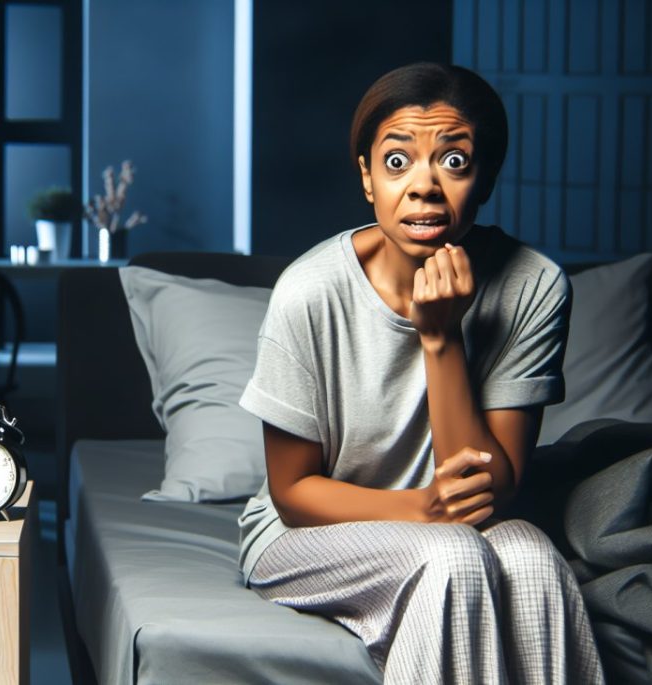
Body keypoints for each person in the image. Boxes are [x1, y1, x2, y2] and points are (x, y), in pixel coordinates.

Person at [237, 62, 605, 684]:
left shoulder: (534, 284)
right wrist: (424, 508)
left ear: (486, 179)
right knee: (452, 555)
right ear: (367, 178)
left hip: (460, 520)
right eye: (397, 162)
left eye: (454, 162)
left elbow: (492, 487)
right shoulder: (309, 290)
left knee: (534, 558)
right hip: (305, 532)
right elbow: (293, 493)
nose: (424, 187)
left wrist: (441, 337)